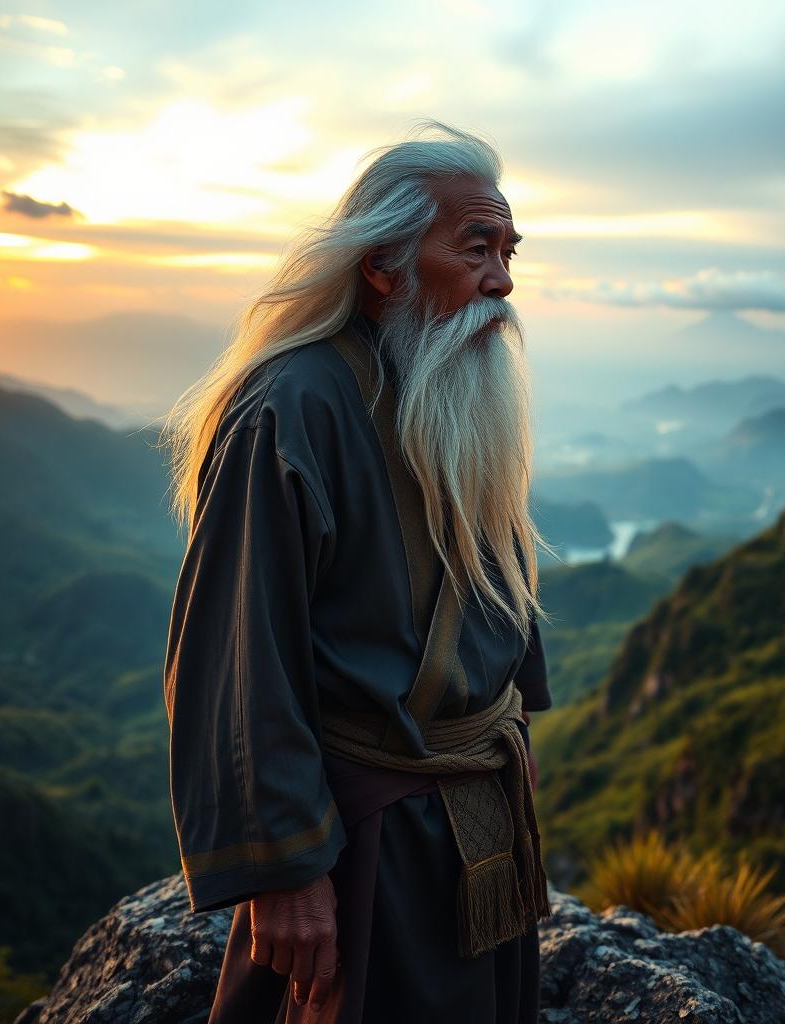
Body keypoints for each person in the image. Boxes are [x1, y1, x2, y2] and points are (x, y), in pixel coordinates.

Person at [159, 119, 557, 1024]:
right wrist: (286, 869)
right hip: (365, 840)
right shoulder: (292, 408)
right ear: (382, 265)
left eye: (509, 251)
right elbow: (235, 653)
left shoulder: (452, 385)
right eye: (476, 248)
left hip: (478, 817)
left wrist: (512, 725)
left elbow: (498, 565)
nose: (502, 280)